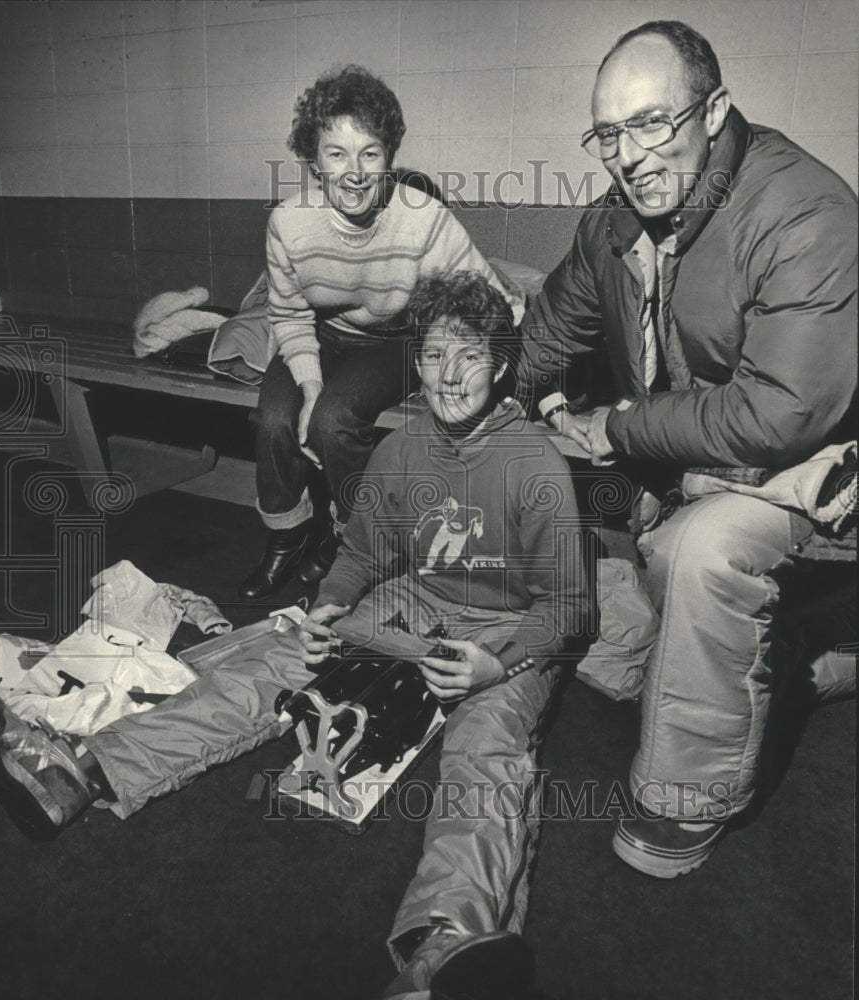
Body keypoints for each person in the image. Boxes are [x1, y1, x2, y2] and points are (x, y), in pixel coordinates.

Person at [520, 19, 857, 878]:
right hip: (705, 461)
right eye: (608, 133)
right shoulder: (613, 221)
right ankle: (800, 667)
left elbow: (783, 414)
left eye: (651, 122)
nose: (628, 153)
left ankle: (683, 806)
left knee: (699, 550)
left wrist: (614, 426)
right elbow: (549, 329)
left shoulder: (804, 211)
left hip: (823, 473)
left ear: (714, 111)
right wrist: (534, 398)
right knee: (572, 508)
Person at [299, 272, 592, 998]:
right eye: (433, 356)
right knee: (284, 651)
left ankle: (444, 946)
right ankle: (89, 766)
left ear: (498, 365)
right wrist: (328, 606)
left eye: (468, 356)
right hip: (419, 604)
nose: (449, 375)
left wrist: (498, 665)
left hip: (510, 629)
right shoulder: (399, 447)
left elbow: (571, 607)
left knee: (484, 753)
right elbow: (363, 552)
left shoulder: (535, 463)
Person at [208, 64, 523, 601]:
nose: (354, 173)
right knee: (274, 419)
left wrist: (476, 366)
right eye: (337, 154)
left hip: (395, 341)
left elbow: (494, 301)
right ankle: (287, 535)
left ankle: (353, 538)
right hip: (320, 334)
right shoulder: (289, 222)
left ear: (389, 158)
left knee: (333, 421)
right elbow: (287, 313)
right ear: (314, 161)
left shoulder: (423, 218)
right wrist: (307, 386)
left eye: (370, 153)